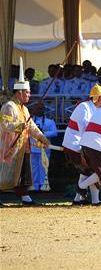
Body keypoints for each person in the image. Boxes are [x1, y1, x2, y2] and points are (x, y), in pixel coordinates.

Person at [0, 68, 50, 205]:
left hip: (24, 146)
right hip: (10, 146)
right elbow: (4, 124)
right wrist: (18, 126)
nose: (29, 95)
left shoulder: (25, 109)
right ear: (19, 93)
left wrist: (42, 137)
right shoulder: (9, 106)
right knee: (7, 173)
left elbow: (31, 126)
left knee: (23, 174)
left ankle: (25, 197)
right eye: (27, 92)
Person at [63, 84, 101, 204]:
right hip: (74, 144)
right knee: (91, 170)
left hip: (81, 144)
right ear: (96, 98)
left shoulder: (93, 108)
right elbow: (86, 128)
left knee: (87, 171)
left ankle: (80, 199)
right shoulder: (84, 107)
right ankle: (92, 199)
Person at [27, 101, 57, 192]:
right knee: (34, 168)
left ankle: (44, 186)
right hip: (32, 148)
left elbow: (55, 132)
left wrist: (43, 134)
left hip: (45, 149)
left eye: (40, 108)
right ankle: (34, 186)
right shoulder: (29, 121)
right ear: (33, 110)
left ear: (44, 110)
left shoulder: (50, 121)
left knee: (44, 168)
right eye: (37, 108)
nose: (38, 110)